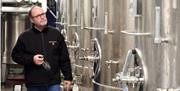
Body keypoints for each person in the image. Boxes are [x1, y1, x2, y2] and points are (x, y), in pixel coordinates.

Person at [11, 5, 73, 91]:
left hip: (53, 83)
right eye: (38, 16)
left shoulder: (56, 34)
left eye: (43, 14)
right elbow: (15, 56)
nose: (42, 17)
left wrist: (68, 77)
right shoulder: (25, 37)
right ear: (32, 20)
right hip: (33, 84)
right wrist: (32, 59)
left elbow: (64, 57)